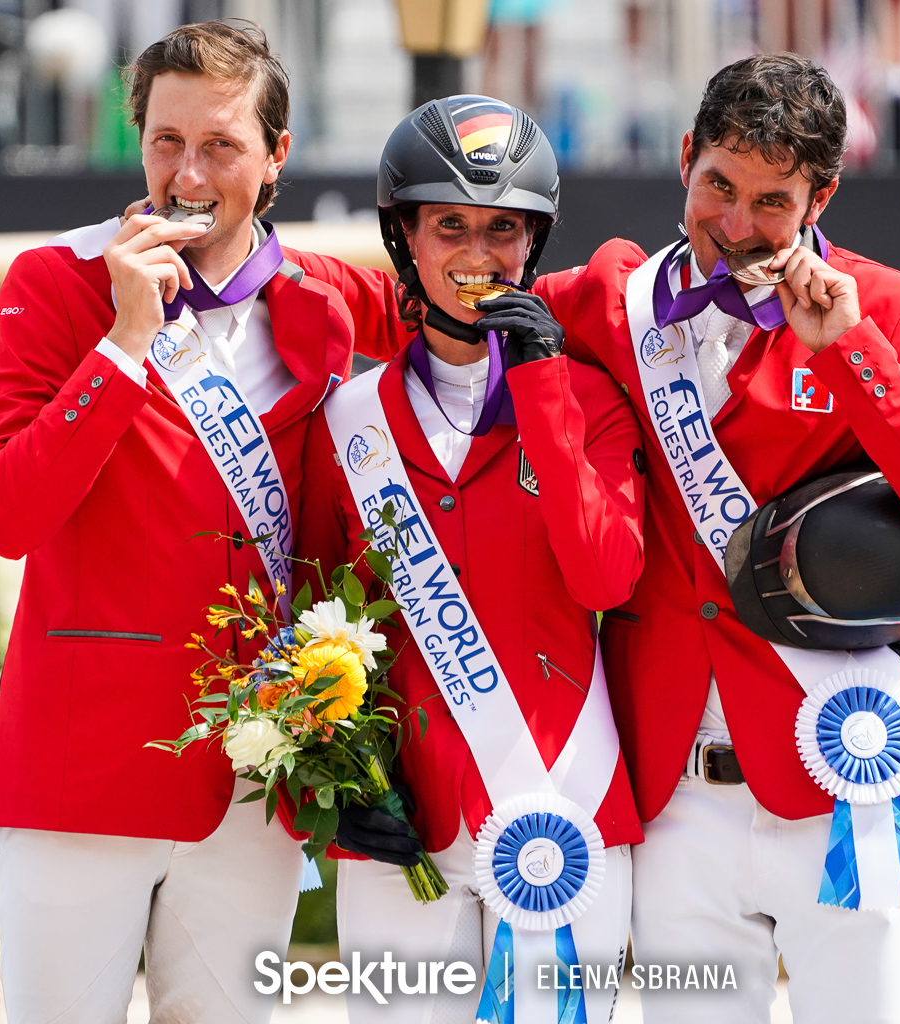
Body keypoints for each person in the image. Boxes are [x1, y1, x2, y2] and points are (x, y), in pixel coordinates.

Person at [527, 54, 900, 1022]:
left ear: (821, 196)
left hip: (844, 778)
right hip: (672, 798)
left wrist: (849, 353)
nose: (735, 226)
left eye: (771, 201)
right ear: (683, 158)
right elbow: (456, 308)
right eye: (718, 185)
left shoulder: (886, 308)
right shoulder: (610, 298)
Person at [0, 22, 393, 1024]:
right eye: (165, 141)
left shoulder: (325, 298)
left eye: (220, 145)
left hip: (252, 773)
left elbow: (476, 307)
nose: (187, 174)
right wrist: (123, 341)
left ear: (277, 155)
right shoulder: (56, 282)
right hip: (79, 771)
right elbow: (3, 512)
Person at [297, 96, 645, 1024]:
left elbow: (606, 578)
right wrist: (325, 784)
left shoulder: (591, 401)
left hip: (563, 815)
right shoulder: (346, 422)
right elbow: (310, 624)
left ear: (534, 242)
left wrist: (541, 387)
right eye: (449, 224)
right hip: (401, 830)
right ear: (401, 234)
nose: (477, 255)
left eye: (503, 230)